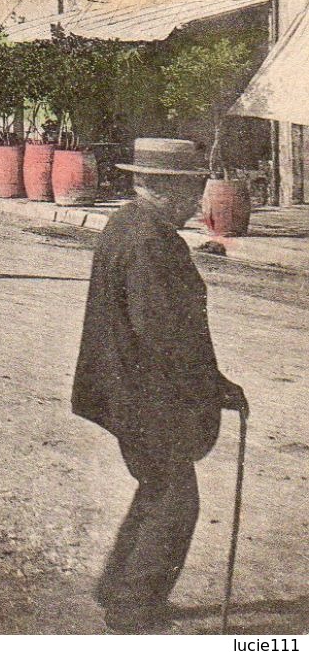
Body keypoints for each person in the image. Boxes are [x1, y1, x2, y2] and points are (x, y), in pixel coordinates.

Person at [72, 138, 248, 633]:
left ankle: (116, 588)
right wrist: (212, 387)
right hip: (147, 394)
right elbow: (168, 334)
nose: (197, 204)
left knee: (159, 486)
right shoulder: (152, 241)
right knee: (176, 499)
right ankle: (132, 608)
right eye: (192, 191)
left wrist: (217, 383)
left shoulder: (127, 223)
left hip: (127, 388)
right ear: (166, 188)